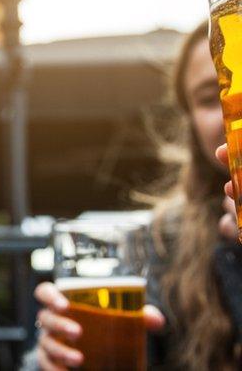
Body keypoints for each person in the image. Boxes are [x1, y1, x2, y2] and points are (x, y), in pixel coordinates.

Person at [27, 22, 242, 370]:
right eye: (208, 97)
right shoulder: (161, 242)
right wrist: (55, 358)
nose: (232, 105)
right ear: (190, 125)